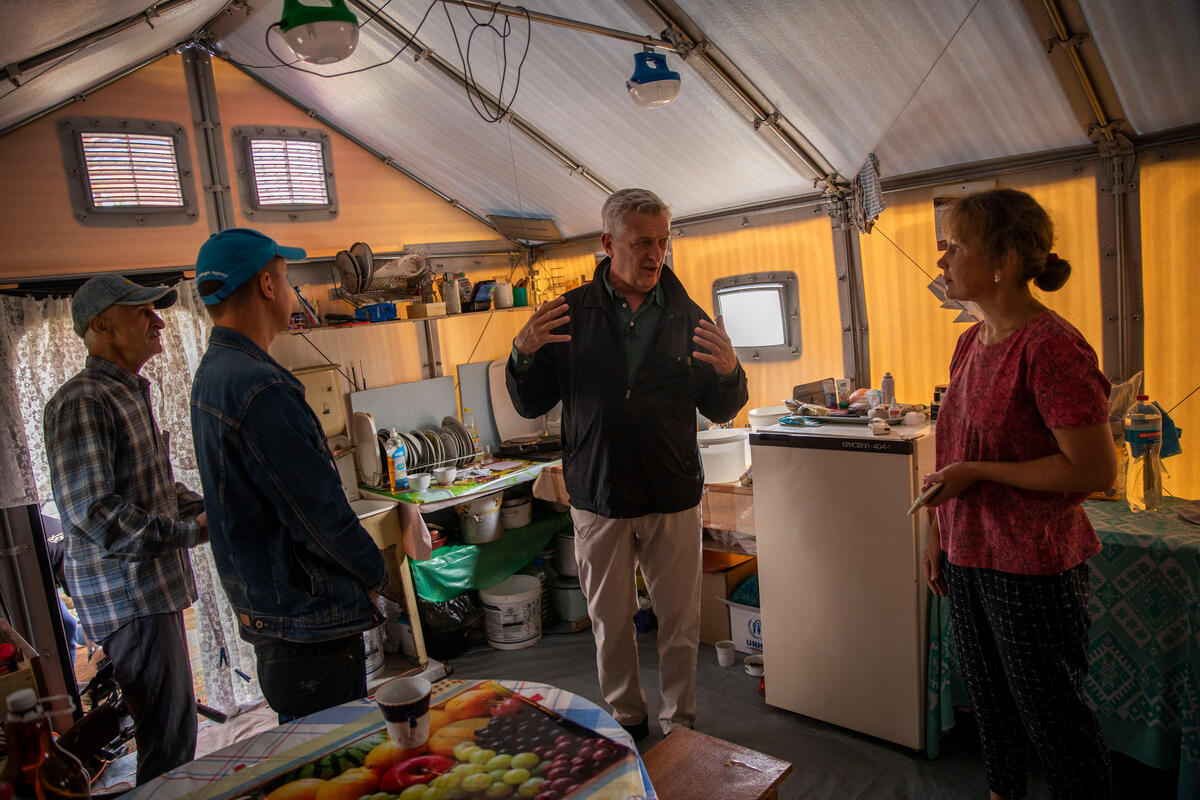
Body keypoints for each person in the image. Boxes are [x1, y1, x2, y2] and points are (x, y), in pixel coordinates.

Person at [507, 188, 748, 738]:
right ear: (608, 242)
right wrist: (521, 356)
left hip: (671, 496)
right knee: (610, 625)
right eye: (643, 242)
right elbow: (531, 402)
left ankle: (680, 726)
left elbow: (722, 406)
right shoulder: (569, 315)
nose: (656, 254)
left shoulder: (689, 316)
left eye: (663, 242)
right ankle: (628, 722)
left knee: (681, 626)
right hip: (599, 497)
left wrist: (732, 370)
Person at [920, 188, 1117, 800]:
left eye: (954, 246)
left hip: (1031, 565)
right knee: (992, 710)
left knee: (1052, 718)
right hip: (969, 554)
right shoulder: (968, 344)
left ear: (1001, 259)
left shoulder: (1051, 347)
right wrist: (937, 534)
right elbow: (955, 448)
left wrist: (979, 473)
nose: (942, 260)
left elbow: (1093, 470)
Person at [189, 228, 388, 723]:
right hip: (307, 622)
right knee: (335, 761)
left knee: (308, 759)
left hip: (271, 610)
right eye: (287, 275)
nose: (293, 287)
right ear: (266, 285)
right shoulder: (261, 387)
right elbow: (318, 513)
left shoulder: (214, 371)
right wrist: (373, 571)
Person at [43, 275, 207, 784]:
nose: (157, 320)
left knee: (172, 730)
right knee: (169, 737)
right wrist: (190, 533)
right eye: (142, 312)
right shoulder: (84, 400)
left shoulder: (126, 392)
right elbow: (92, 512)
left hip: (148, 593)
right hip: (129, 599)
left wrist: (215, 509)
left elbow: (153, 491)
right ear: (102, 326)